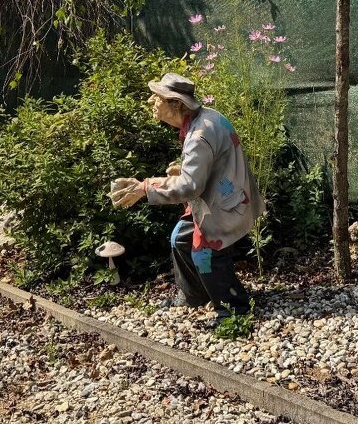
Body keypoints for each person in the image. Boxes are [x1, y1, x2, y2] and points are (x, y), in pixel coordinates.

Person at [112, 73, 262, 323]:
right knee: (179, 239)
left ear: (176, 104)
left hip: (224, 206)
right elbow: (205, 168)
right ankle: (196, 295)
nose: (152, 101)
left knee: (205, 252)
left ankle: (234, 308)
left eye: (158, 97)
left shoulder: (198, 136)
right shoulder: (202, 120)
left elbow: (190, 187)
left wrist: (145, 188)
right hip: (221, 196)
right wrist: (180, 171)